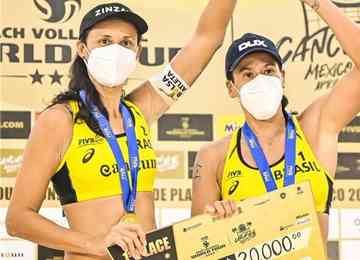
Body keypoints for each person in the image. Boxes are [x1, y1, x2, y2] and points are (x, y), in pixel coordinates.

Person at [5, 1, 237, 259]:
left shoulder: (140, 109)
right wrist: (95, 243)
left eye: (126, 43)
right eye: (104, 41)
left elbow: (207, 39)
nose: (116, 50)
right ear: (82, 49)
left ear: (137, 52)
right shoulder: (60, 119)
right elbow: (17, 220)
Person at [191, 0, 360, 246]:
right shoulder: (212, 157)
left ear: (283, 77)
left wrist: (318, 3)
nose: (260, 79)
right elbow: (196, 246)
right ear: (231, 88)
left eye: (269, 71)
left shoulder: (315, 128)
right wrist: (217, 222)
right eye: (248, 74)